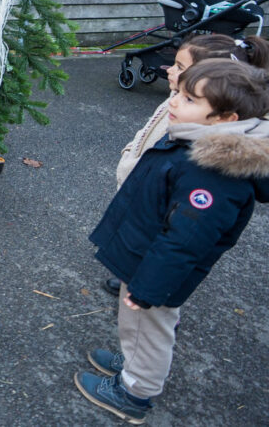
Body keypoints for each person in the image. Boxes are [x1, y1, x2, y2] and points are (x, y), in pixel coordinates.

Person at [75, 59, 269, 424]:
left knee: (150, 328)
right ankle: (135, 362)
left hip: (156, 271)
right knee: (139, 327)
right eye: (179, 92)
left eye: (190, 99)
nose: (175, 102)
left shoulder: (213, 174)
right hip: (147, 259)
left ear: (225, 119)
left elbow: (185, 241)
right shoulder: (196, 139)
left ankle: (134, 392)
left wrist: (148, 288)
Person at [102, 33, 269, 296]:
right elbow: (149, 132)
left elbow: (185, 238)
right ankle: (133, 276)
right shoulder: (178, 104)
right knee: (141, 244)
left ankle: (142, 284)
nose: (170, 70)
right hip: (147, 192)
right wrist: (131, 152)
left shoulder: (207, 170)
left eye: (181, 67)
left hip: (160, 213)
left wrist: (148, 289)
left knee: (156, 255)